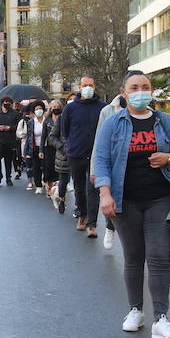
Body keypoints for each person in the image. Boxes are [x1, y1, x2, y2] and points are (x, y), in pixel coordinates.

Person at [94, 70, 170, 338]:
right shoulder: (113, 122)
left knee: (158, 256)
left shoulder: (163, 121)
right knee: (133, 257)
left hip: (160, 198)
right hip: (125, 200)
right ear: (124, 92)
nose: (140, 91)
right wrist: (105, 194)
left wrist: (168, 157)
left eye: (145, 86)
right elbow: (101, 160)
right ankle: (135, 310)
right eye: (134, 87)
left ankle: (161, 318)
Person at [62, 76, 104, 234]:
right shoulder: (70, 108)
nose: (88, 88)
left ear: (95, 86)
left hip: (96, 155)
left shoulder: (102, 107)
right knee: (79, 188)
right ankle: (83, 215)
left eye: (90, 85)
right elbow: (65, 130)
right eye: (85, 85)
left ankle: (92, 224)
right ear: (79, 87)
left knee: (93, 189)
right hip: (76, 154)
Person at [91, 91, 127, 247]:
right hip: (112, 164)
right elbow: (99, 143)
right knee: (110, 198)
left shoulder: (153, 114)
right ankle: (109, 227)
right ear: (123, 90)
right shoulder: (107, 111)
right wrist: (94, 169)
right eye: (134, 87)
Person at [0, 96, 19, 185]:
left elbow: (18, 126)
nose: (7, 104)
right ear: (2, 103)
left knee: (8, 160)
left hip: (10, 140)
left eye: (9, 102)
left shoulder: (15, 114)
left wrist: (9, 128)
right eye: (5, 102)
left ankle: (8, 177)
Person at [22, 101, 48, 193]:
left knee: (46, 167)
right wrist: (26, 151)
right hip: (35, 147)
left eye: (40, 108)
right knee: (36, 167)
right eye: (36, 109)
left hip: (47, 147)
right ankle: (38, 186)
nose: (39, 111)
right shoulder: (31, 122)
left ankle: (46, 182)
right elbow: (29, 137)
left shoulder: (47, 121)